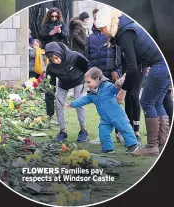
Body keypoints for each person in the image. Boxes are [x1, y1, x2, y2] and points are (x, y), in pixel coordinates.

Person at [95, 6, 171, 156]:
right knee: (157, 102)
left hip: (159, 65)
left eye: (102, 29)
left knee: (147, 102)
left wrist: (122, 92)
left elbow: (133, 68)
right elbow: (135, 63)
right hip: (162, 64)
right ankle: (162, 143)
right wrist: (124, 78)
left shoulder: (125, 33)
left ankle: (151, 146)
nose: (102, 32)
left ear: (109, 24)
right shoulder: (127, 28)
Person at [66, 67, 140, 154]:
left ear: (97, 79)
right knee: (103, 133)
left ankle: (133, 145)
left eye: (89, 82)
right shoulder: (91, 94)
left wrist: (118, 85)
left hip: (117, 116)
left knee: (125, 129)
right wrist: (72, 104)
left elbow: (115, 88)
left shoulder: (107, 86)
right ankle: (108, 148)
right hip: (105, 119)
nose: (87, 84)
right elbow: (83, 100)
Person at [87, 8, 123, 143]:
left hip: (110, 74)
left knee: (113, 104)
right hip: (97, 77)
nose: (97, 20)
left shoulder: (110, 33)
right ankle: (103, 134)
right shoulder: (90, 37)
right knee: (101, 106)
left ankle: (119, 132)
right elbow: (88, 56)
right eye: (95, 17)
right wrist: (91, 72)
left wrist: (115, 70)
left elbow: (116, 53)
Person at [44, 41, 89, 143]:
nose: (55, 61)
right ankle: (63, 132)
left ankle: (83, 130)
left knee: (78, 101)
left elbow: (87, 67)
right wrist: (50, 110)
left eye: (56, 58)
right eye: (52, 60)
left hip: (78, 80)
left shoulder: (74, 56)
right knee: (58, 104)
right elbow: (49, 86)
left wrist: (91, 82)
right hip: (63, 84)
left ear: (60, 53)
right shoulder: (51, 67)